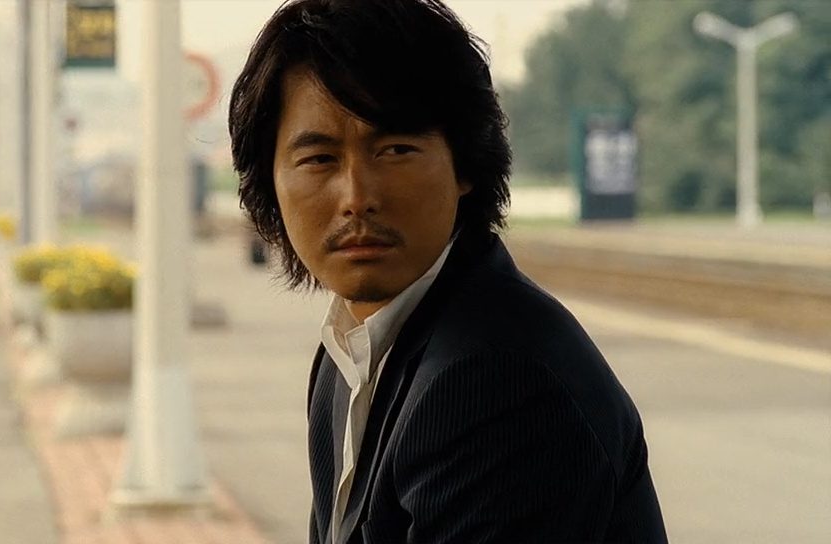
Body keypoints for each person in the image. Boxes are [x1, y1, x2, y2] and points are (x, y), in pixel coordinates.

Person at [227, 1, 667, 542]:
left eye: (395, 149)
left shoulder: (498, 380)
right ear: (269, 183)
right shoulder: (350, 350)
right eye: (319, 159)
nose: (357, 197)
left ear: (465, 165)